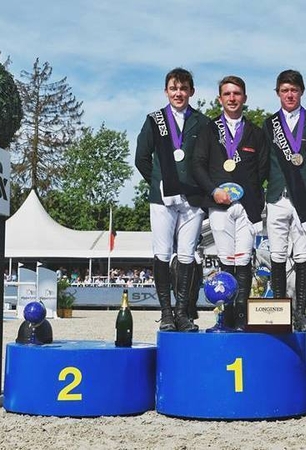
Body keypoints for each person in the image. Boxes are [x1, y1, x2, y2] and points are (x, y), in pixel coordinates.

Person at [135, 67, 210, 332]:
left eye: (183, 88)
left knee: (187, 254)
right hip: (162, 198)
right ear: (166, 91)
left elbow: (208, 161)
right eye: (173, 88)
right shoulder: (154, 120)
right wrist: (158, 182)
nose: (178, 93)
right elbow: (141, 158)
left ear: (191, 91)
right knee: (163, 254)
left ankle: (183, 313)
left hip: (193, 199)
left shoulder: (202, 122)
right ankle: (166, 313)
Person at [193, 75, 268, 330]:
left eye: (237, 94)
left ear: (244, 98)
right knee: (226, 260)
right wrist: (213, 191)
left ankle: (243, 320)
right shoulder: (208, 130)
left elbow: (263, 171)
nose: (232, 98)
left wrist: (253, 200)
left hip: (247, 207)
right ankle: (225, 317)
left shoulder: (256, 134)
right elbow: (198, 165)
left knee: (244, 261)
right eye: (227, 94)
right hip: (219, 205)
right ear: (220, 99)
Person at [264, 69, 306, 332]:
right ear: (278, 93)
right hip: (276, 197)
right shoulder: (269, 125)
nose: (289, 94)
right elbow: (263, 161)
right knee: (277, 255)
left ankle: (301, 314)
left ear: (301, 91)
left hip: (304, 199)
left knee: (303, 255)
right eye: (284, 90)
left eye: (294, 90)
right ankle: (281, 312)